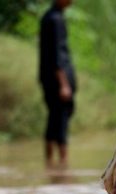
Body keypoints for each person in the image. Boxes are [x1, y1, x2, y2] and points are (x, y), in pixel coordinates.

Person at [39, 0, 76, 170]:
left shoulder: (51, 17)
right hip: (57, 81)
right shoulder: (54, 19)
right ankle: (63, 165)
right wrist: (64, 84)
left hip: (50, 78)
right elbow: (56, 55)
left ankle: (50, 164)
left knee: (54, 120)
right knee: (60, 121)